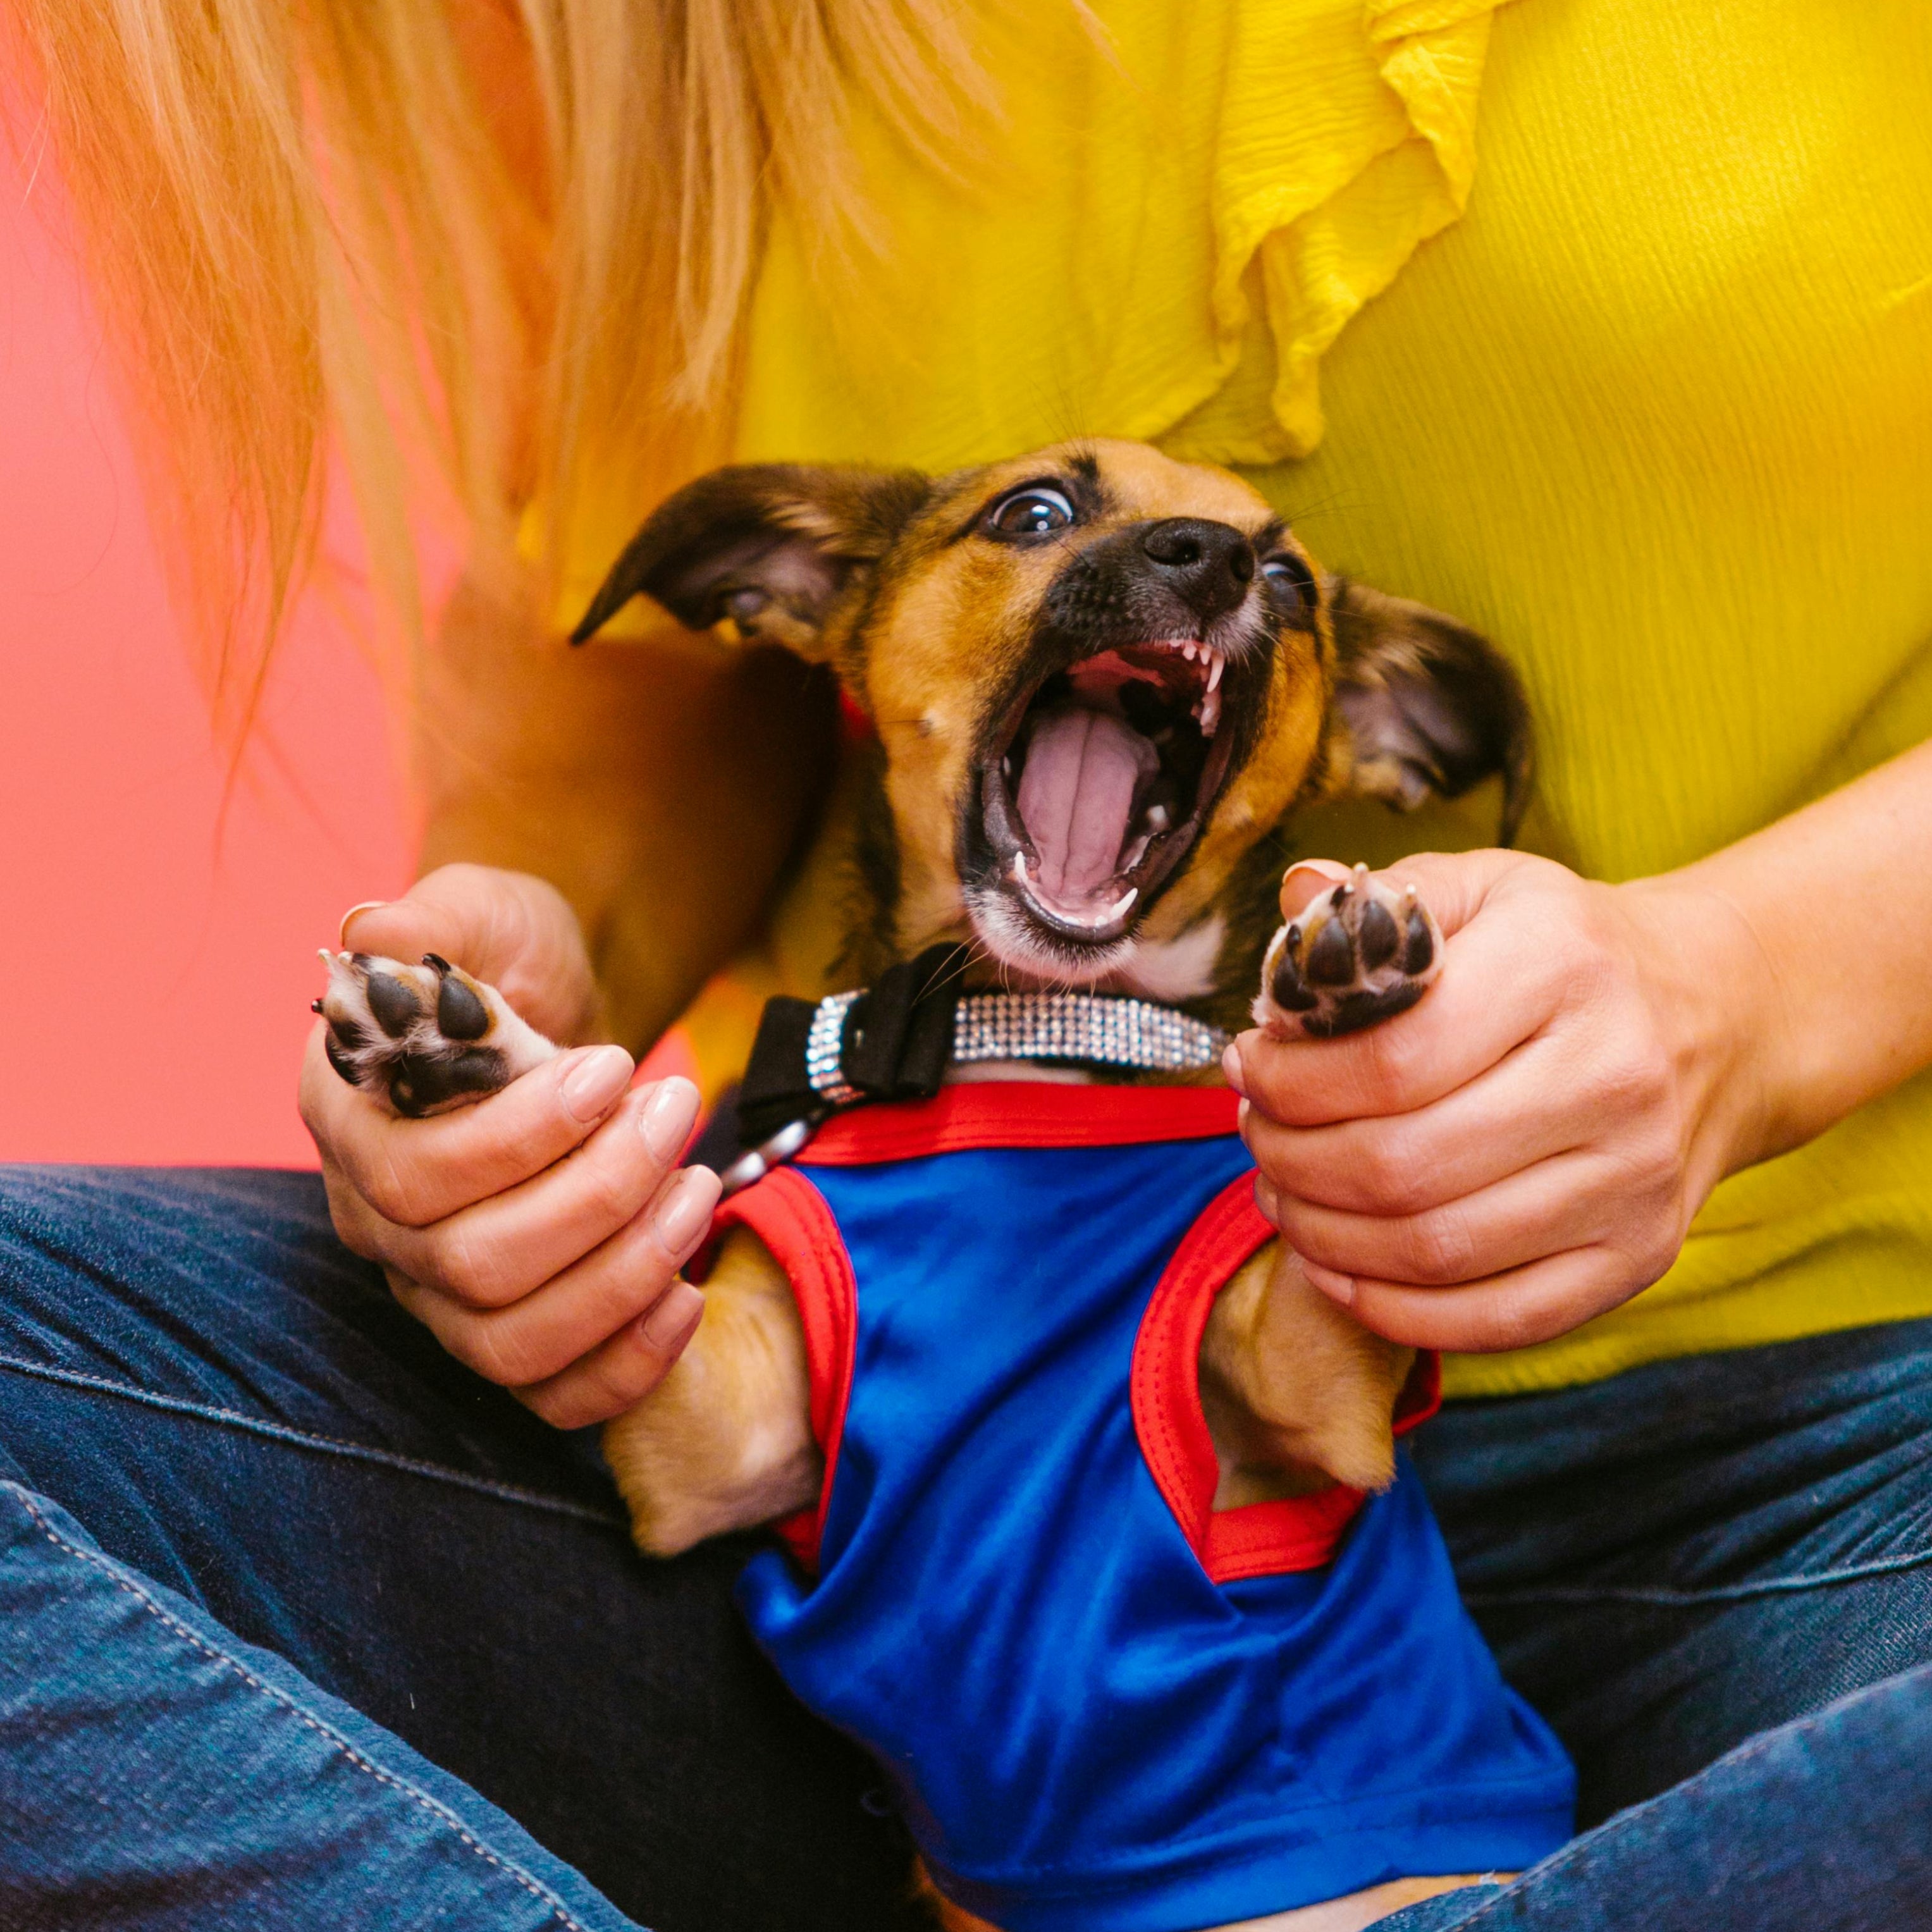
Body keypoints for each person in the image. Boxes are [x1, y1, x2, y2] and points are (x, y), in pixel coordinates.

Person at [3, 1, 1930, 1926]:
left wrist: (1733, 994)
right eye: (1036, 524)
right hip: (837, 1644)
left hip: (1826, 1469)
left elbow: (1308, 1376)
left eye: (1258, 590)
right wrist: (534, 984)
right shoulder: (624, 45)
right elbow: (617, 621)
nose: (1179, 580)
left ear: (1383, 737)